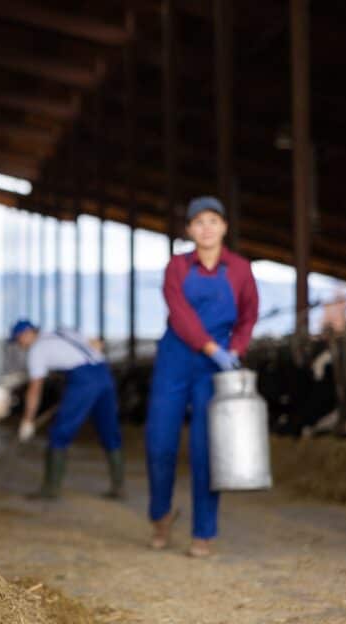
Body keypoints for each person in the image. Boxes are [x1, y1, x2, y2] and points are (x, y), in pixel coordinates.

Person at [145, 196, 258, 558]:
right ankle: (160, 514)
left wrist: (237, 349)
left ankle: (203, 532)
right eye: (198, 222)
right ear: (189, 229)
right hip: (176, 359)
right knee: (159, 443)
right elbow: (179, 314)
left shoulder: (240, 269)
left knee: (207, 450)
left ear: (224, 226)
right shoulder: (176, 267)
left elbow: (248, 315)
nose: (206, 228)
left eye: (213, 220)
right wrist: (212, 348)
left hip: (216, 370)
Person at [10, 319, 124, 500]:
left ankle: (50, 490)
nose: (19, 345)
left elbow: (35, 389)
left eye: (18, 340)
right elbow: (96, 344)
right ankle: (119, 488)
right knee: (110, 431)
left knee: (58, 433)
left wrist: (28, 420)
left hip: (83, 380)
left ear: (24, 334)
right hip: (104, 374)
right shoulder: (64, 332)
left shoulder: (37, 350)